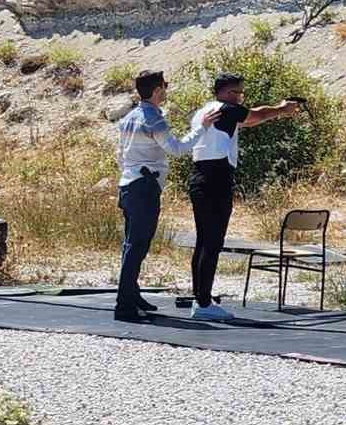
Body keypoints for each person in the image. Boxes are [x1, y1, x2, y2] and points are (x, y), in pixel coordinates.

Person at [186, 74, 302, 320]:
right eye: (238, 92)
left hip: (201, 176)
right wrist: (282, 109)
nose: (241, 97)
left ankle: (201, 298)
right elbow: (256, 116)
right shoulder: (227, 110)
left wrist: (279, 111)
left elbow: (247, 121)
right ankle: (203, 304)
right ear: (228, 93)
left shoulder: (205, 111)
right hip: (215, 179)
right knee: (212, 242)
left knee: (204, 242)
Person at [113, 71, 218, 323]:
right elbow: (177, 149)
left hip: (129, 184)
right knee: (136, 246)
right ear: (158, 90)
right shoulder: (153, 119)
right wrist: (202, 128)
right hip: (144, 188)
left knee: (132, 245)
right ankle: (125, 305)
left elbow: (120, 154)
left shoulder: (130, 116)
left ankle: (132, 294)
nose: (167, 90)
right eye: (165, 86)